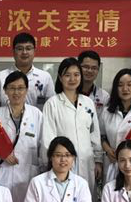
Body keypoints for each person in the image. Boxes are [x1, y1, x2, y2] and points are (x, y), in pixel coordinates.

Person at [0, 71, 42, 202]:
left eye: (20, 88)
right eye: (12, 88)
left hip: (27, 173)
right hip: (1, 174)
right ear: (5, 91)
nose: (16, 92)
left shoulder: (36, 114)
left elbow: (43, 145)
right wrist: (1, 152)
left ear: (27, 90)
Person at [41, 57, 104, 191]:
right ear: (60, 77)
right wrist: (50, 163)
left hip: (87, 162)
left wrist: (98, 160)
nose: (72, 79)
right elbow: (48, 138)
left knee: (85, 197)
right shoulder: (52, 104)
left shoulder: (88, 103)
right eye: (67, 75)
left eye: (76, 75)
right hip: (62, 163)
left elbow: (94, 134)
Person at [24, 136, 92, 202]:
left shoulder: (82, 184)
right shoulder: (37, 183)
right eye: (58, 155)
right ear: (50, 157)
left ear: (73, 158)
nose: (63, 159)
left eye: (67, 155)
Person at [0, 33, 55, 110]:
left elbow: (51, 107)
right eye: (20, 49)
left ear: (34, 51)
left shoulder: (45, 77)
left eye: (28, 48)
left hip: (38, 118)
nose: (24, 52)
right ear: (13, 52)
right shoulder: (0, 77)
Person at [78, 50, 110, 119]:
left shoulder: (104, 97)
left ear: (98, 70)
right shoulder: (69, 93)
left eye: (94, 68)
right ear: (78, 67)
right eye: (86, 67)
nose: (90, 71)